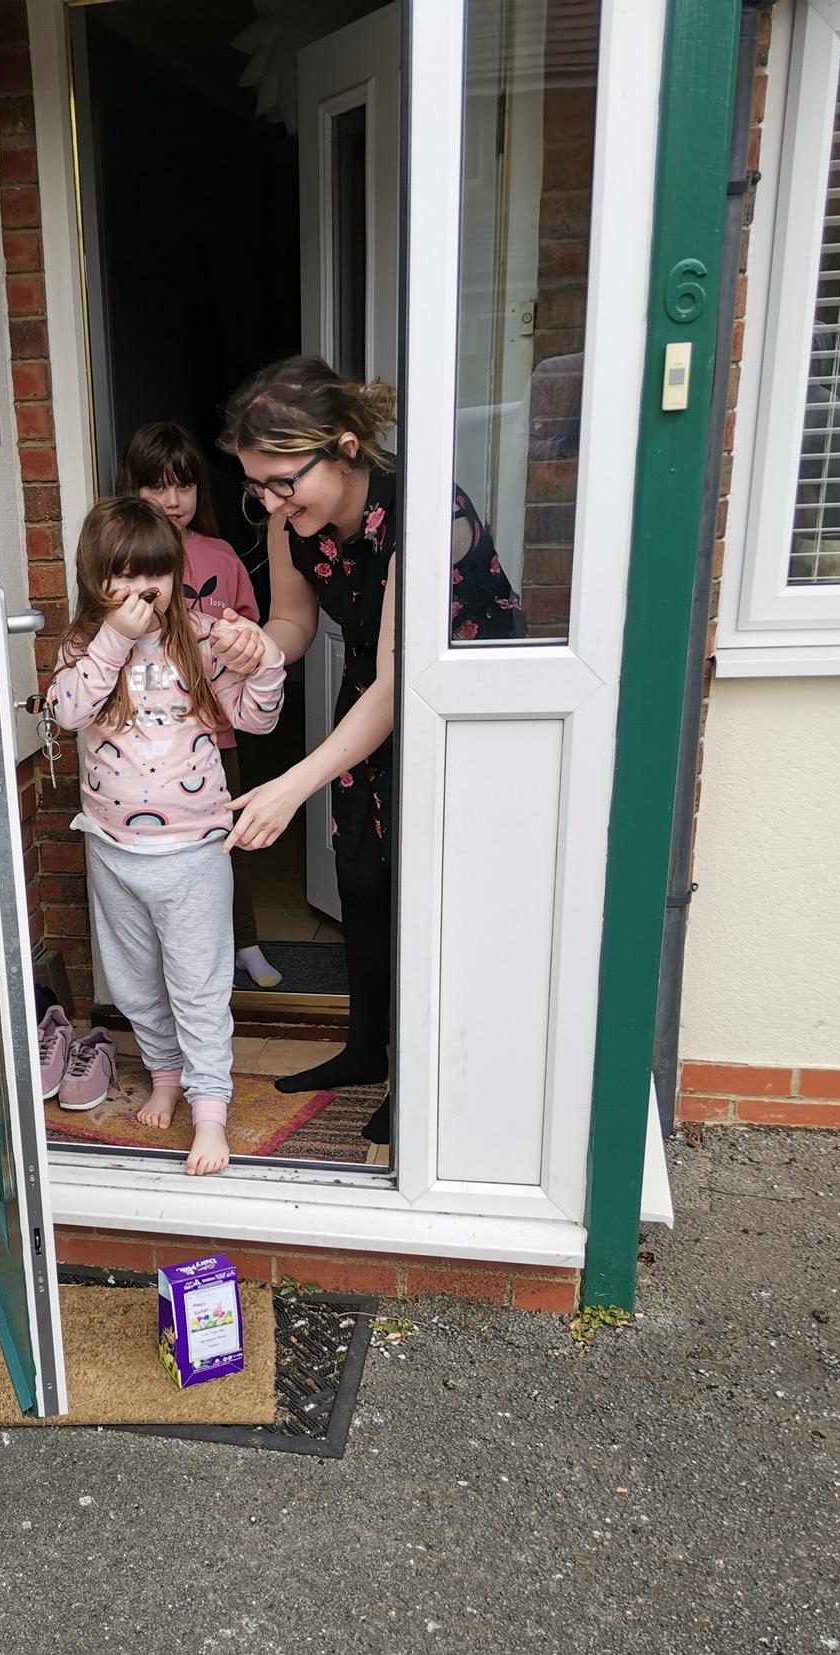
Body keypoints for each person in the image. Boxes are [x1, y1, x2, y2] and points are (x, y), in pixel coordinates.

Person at [219, 355, 522, 1145]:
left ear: (345, 448)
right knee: (359, 874)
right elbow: (294, 621)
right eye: (256, 487)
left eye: (282, 483)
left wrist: (292, 785)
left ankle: (423, 1078)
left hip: (458, 709)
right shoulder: (289, 521)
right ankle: (364, 1051)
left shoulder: (424, 517)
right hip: (374, 695)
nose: (270, 503)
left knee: (427, 894)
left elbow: (404, 683)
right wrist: (258, 647)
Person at [46, 497, 285, 1176]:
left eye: (155, 572)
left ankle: (210, 1111)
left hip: (193, 852)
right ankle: (165, 1073)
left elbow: (257, 719)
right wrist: (113, 639)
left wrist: (264, 661)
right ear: (95, 580)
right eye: (123, 575)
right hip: (113, 850)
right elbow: (67, 712)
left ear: (176, 573)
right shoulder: (84, 648)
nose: (142, 589)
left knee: (198, 986)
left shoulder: (201, 638)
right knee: (133, 983)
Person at [117, 421, 282, 991]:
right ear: (133, 489)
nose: (172, 500)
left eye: (183, 485)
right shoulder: (123, 560)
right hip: (151, 739)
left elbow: (251, 633)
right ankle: (183, 964)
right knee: (169, 861)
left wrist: (244, 649)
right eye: (156, 486)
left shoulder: (220, 555)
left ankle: (244, 942)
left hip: (217, 731)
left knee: (228, 842)